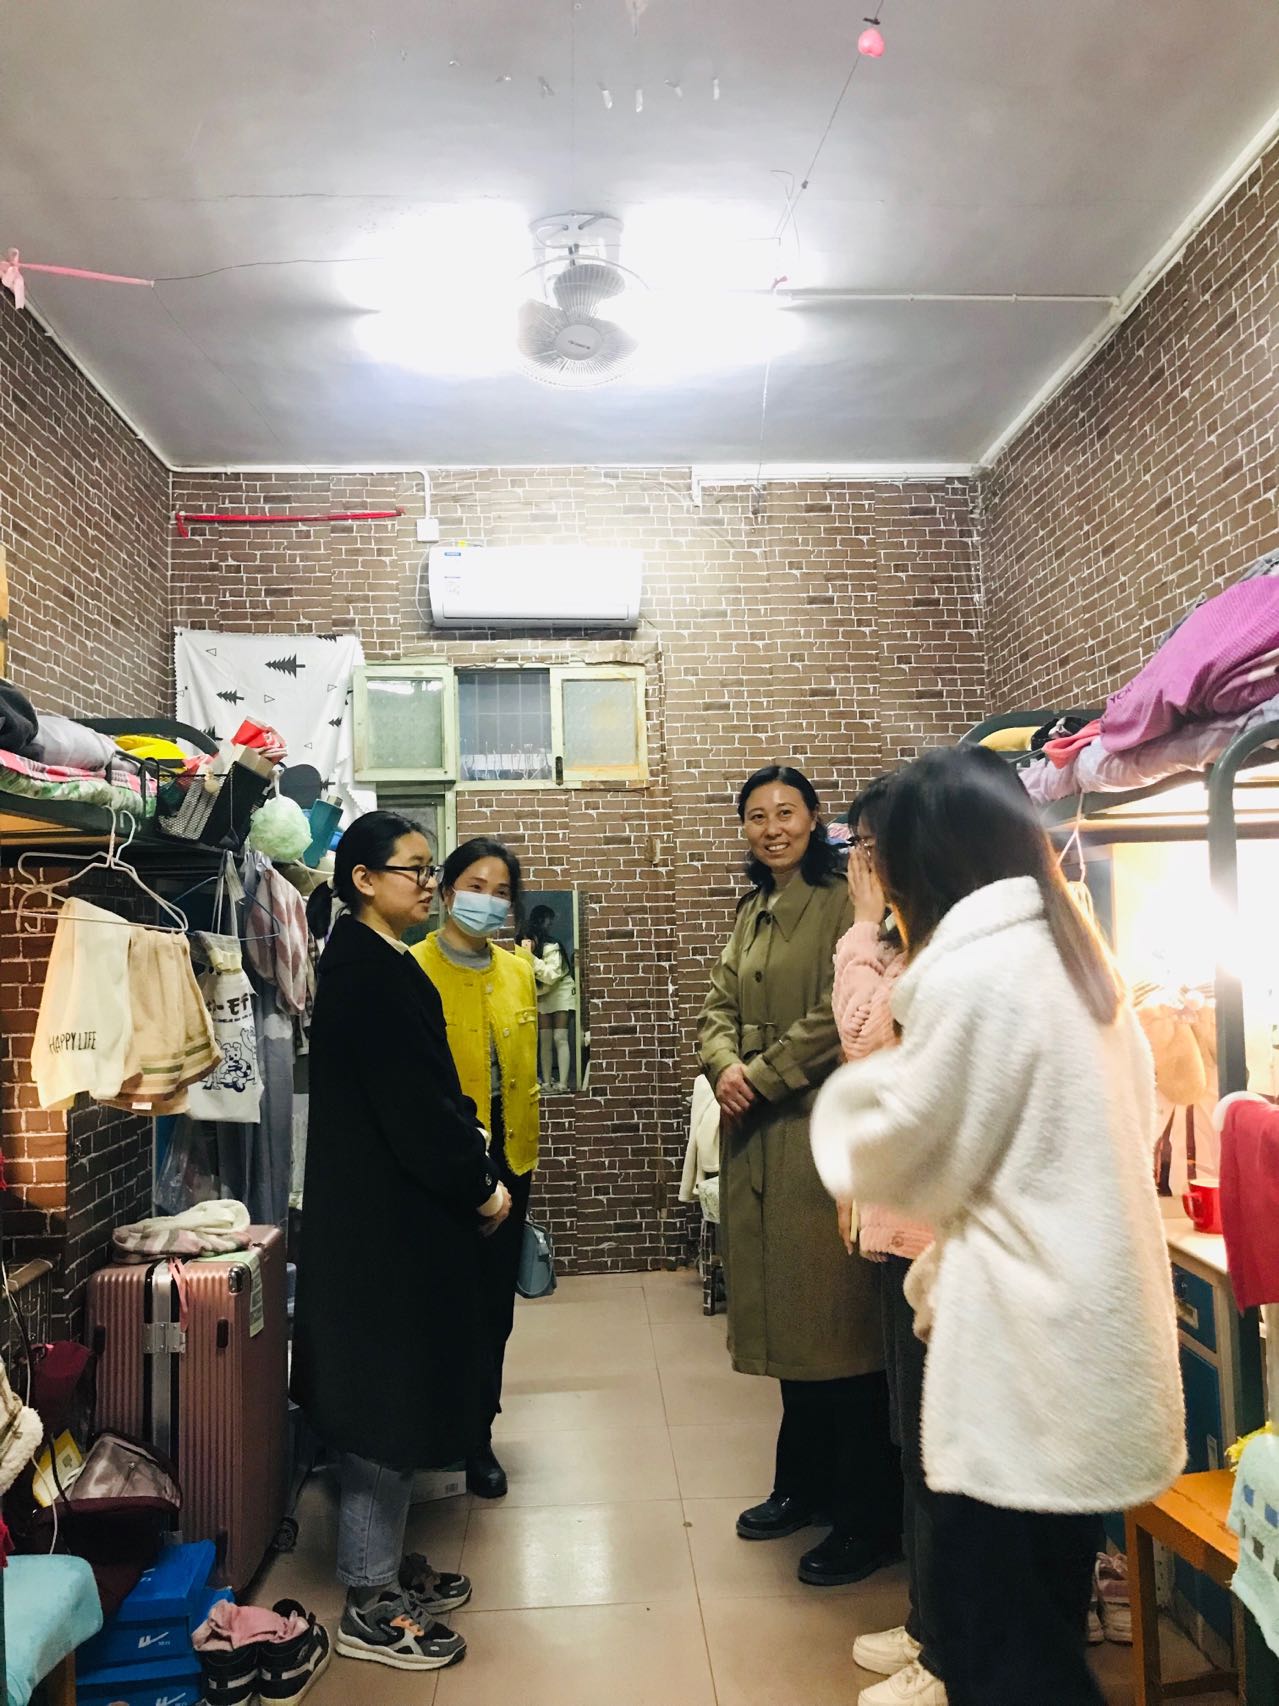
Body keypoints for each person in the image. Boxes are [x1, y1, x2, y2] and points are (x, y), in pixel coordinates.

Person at [811, 747, 1185, 1706]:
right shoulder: (1074, 959)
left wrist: (847, 1116)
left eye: (883, 858)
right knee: (1041, 1620)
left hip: (1020, 1355)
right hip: (1085, 1340)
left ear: (924, 863)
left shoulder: (977, 975)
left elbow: (900, 1157)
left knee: (1001, 1649)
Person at [293, 812, 512, 1674]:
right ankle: (369, 1600)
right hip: (381, 1234)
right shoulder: (369, 975)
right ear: (363, 880)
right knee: (381, 1410)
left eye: (429, 869)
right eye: (414, 869)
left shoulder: (376, 961)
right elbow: (417, 1112)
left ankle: (380, 1566)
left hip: (386, 1224)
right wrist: (480, 1183)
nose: (430, 884)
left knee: (394, 1397)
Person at [697, 764, 902, 1588]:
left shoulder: (844, 905)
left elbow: (840, 1013)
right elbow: (715, 1005)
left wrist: (762, 1073)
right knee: (789, 1329)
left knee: (836, 1332)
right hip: (757, 1137)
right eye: (756, 816)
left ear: (816, 819)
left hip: (820, 1130)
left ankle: (866, 1519)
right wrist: (722, 1065)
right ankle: (802, 1485)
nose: (771, 827)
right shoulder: (752, 908)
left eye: (786, 812)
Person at [831, 779, 946, 1706]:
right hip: (904, 1227)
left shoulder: (937, 950)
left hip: (939, 1243)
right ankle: (931, 1620)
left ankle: (947, 1649)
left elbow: (862, 1040)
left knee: (938, 1449)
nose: (857, 864)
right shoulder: (915, 941)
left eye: (870, 846)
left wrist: (861, 929)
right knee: (915, 1442)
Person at [413, 837, 539, 1500]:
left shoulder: (518, 971)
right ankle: (430, 1427)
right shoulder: (411, 967)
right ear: (443, 892)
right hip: (439, 1162)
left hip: (510, 1158)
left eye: (501, 893)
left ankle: (477, 1437)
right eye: (475, 886)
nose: (487, 902)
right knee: (439, 1304)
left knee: (493, 1307)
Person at [520, 903, 576, 1094]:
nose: (550, 926)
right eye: (548, 922)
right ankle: (546, 1082)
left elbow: (551, 976)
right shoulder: (526, 948)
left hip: (561, 992)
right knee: (544, 1040)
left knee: (560, 1037)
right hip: (542, 993)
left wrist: (530, 958)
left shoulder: (552, 946)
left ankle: (563, 1083)